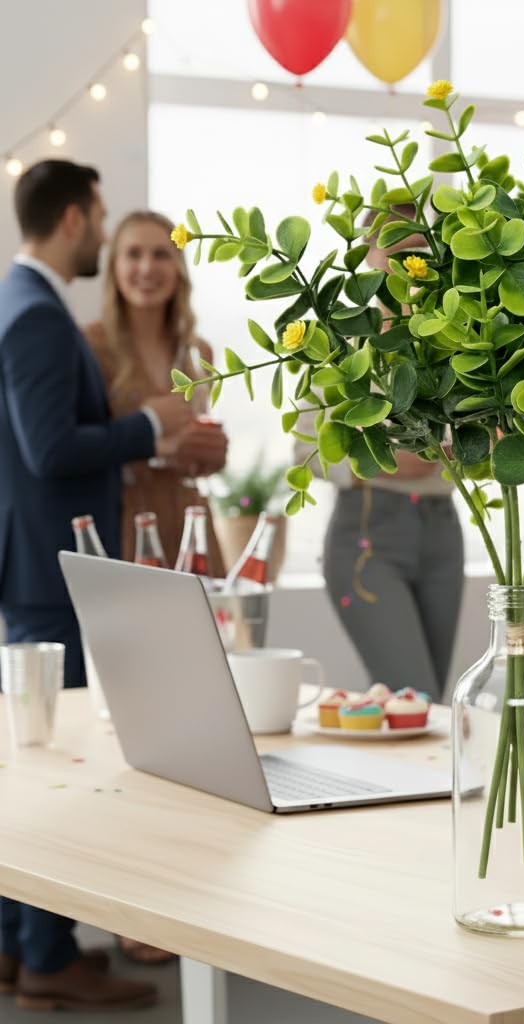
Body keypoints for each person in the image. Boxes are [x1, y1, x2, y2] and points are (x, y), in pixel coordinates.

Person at [0, 159, 218, 1011]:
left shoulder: (33, 307)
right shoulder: (41, 318)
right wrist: (148, 426)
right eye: (98, 220)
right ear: (72, 220)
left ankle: (25, 950)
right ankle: (51, 952)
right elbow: (51, 451)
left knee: (43, 758)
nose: (103, 235)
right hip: (54, 570)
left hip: (58, 566)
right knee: (61, 770)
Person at [297, 207, 464, 700]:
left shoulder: (451, 336)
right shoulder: (334, 338)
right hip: (369, 533)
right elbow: (304, 447)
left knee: (425, 709)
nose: (409, 264)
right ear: (367, 254)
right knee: (420, 697)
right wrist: (384, 459)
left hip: (443, 529)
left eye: (419, 251)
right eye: (396, 250)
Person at [83, 210, 228, 575]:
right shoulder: (90, 348)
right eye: (134, 254)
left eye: (161, 254)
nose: (147, 268)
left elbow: (197, 450)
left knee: (206, 630)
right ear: (114, 266)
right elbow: (81, 446)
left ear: (178, 266)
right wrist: (158, 447)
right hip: (128, 526)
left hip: (191, 525)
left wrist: (210, 452)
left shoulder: (199, 352)